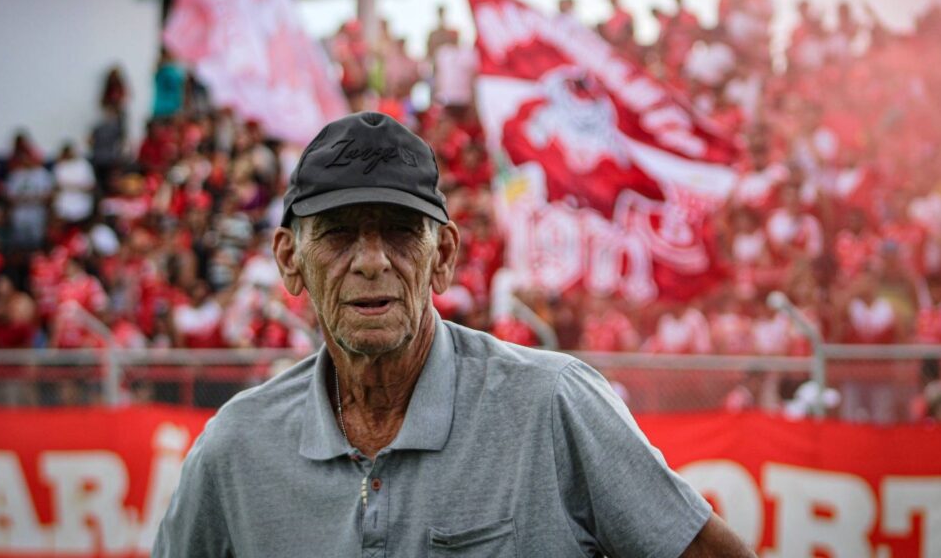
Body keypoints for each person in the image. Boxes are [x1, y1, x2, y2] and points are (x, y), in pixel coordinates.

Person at [154, 112, 755, 557]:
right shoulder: (237, 448)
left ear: (442, 255)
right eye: (338, 234)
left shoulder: (551, 405)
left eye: (399, 232)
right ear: (290, 260)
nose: (371, 261)